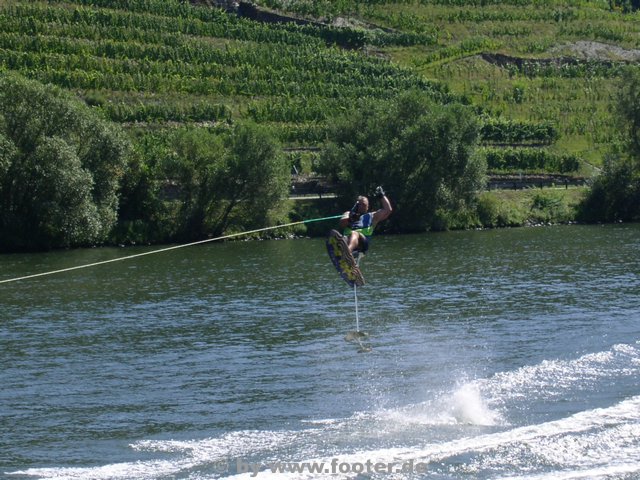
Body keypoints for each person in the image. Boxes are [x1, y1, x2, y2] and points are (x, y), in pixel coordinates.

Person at [339, 186, 392, 256]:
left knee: (354, 233)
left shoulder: (373, 216)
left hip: (362, 244)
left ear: (367, 207)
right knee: (345, 238)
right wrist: (350, 219)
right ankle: (343, 253)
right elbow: (342, 224)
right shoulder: (348, 214)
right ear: (356, 205)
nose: (361, 207)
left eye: (363, 205)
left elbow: (388, 210)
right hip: (347, 240)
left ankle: (347, 253)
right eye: (359, 205)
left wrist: (381, 196)